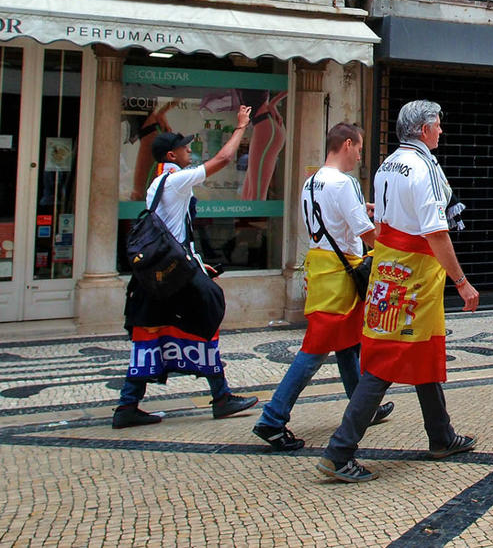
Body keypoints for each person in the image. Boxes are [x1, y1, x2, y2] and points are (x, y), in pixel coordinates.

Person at [317, 100, 479, 483]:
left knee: (416, 349)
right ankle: (339, 451)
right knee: (385, 360)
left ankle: (441, 436)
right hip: (413, 277)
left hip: (390, 271)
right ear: (423, 130)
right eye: (437, 125)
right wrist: (462, 281)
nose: (440, 130)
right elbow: (436, 232)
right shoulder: (422, 169)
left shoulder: (388, 164)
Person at [113, 105, 259, 429]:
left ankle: (128, 405)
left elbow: (174, 229)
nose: (189, 150)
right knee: (205, 320)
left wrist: (196, 259)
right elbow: (222, 161)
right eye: (184, 147)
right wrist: (240, 127)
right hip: (175, 277)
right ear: (171, 154)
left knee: (151, 332)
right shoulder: (176, 180)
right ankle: (220, 398)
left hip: (165, 273)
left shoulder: (161, 181)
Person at [251, 123, 394, 450]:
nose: (360, 154)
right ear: (347, 144)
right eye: (359, 148)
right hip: (341, 273)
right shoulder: (346, 183)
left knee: (346, 343)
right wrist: (391, 251)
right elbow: (364, 233)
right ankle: (272, 418)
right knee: (314, 350)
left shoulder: (311, 182)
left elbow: (328, 221)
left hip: (320, 267)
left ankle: (363, 407)